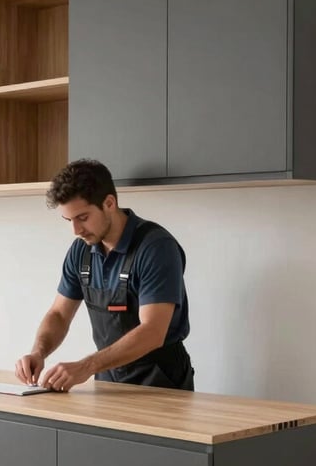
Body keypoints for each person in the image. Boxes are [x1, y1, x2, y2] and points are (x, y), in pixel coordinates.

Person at [15, 159, 194, 392]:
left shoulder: (156, 248)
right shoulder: (81, 250)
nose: (76, 231)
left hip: (160, 382)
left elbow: (152, 332)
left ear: (109, 203)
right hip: (108, 379)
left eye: (82, 217)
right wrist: (38, 352)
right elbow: (59, 313)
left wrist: (86, 366)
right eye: (68, 220)